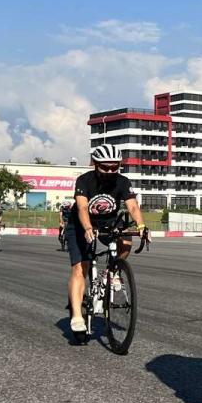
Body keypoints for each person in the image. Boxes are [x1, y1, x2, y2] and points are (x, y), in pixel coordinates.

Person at [65, 144, 148, 338]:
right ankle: (77, 316)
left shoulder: (122, 181)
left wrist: (142, 226)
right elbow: (83, 208)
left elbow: (133, 207)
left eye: (114, 167)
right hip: (80, 225)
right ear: (95, 164)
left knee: (126, 240)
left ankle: (114, 272)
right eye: (105, 167)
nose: (110, 171)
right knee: (80, 267)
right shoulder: (84, 181)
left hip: (108, 224)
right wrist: (87, 228)